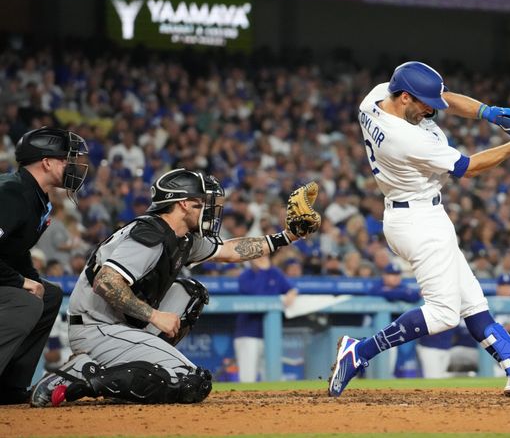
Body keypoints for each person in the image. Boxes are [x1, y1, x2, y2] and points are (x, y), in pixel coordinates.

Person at [328, 61, 510, 398]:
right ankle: (359, 352)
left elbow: (446, 98)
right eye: (425, 104)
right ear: (405, 97)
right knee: (443, 314)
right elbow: (468, 168)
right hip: (418, 222)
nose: (432, 111)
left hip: (419, 215)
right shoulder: (404, 139)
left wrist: (488, 113)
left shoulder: (377, 96)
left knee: (473, 304)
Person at [29, 169, 320, 407]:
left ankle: (129, 372)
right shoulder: (150, 234)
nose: (209, 209)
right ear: (182, 204)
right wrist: (155, 316)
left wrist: (288, 236)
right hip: (98, 327)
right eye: (202, 202)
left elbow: (231, 250)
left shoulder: (182, 237)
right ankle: (81, 374)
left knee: (192, 294)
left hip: (123, 325)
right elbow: (106, 282)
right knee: (191, 383)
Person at [0, 127, 89, 404]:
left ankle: (9, 388)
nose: (72, 166)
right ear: (47, 162)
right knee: (25, 302)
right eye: (66, 159)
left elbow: (14, 249)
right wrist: (19, 282)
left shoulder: (34, 194)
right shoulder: (12, 193)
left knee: (47, 295)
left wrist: (30, 278)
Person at [233, 256, 298, 383]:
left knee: (271, 377)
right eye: (258, 256)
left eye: (263, 255)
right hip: (248, 333)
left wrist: (292, 292)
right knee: (248, 378)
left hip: (270, 334)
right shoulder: (245, 276)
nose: (261, 259)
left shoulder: (274, 272)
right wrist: (263, 271)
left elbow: (290, 288)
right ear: (251, 258)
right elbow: (258, 295)